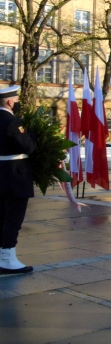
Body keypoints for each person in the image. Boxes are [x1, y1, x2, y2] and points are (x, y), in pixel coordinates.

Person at [0, 85, 37, 274]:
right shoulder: (13, 122)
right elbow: (28, 147)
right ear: (9, 102)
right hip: (15, 176)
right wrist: (32, 134)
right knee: (13, 217)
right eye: (15, 100)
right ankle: (7, 259)